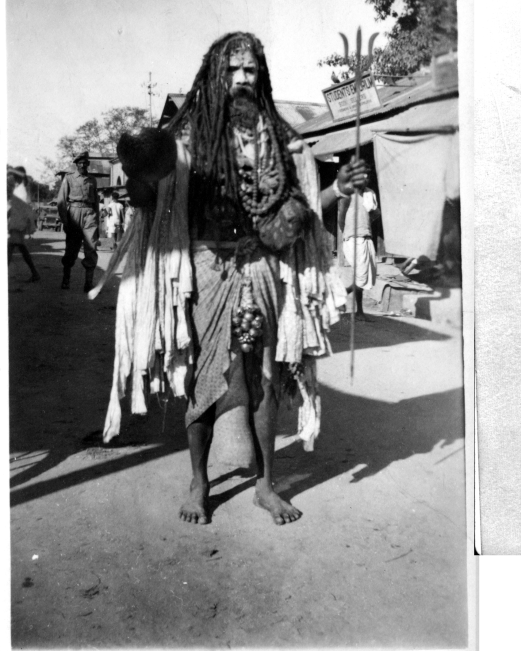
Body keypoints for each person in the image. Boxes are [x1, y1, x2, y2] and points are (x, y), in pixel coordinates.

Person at [97, 32, 367, 527]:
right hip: (205, 267)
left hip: (262, 268)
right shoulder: (189, 142)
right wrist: (140, 174)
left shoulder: (278, 141)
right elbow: (148, 200)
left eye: (251, 71)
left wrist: (336, 191)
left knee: (262, 375)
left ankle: (266, 486)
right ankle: (199, 483)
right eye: (234, 70)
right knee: (204, 376)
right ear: (216, 76)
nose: (243, 79)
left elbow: (298, 214)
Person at [56, 150, 99, 291]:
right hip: (74, 213)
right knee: (71, 249)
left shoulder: (92, 180)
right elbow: (61, 201)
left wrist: (96, 219)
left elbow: (96, 202)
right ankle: (66, 279)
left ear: (88, 164)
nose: (83, 165)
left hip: (89, 214)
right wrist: (65, 221)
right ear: (76, 164)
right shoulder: (68, 178)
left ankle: (88, 283)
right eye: (80, 163)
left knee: (91, 247)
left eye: (85, 163)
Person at [338, 180, 379, 320]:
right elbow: (341, 217)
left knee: (364, 275)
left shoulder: (369, 193)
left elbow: (376, 212)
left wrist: (366, 222)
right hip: (353, 238)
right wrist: (347, 232)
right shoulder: (348, 194)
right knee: (361, 277)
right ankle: (338, 296)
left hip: (366, 236)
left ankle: (359, 312)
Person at [7, 166, 40, 282]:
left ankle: (35, 273)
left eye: (15, 176)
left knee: (10, 248)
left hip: (18, 223)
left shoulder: (21, 189)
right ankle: (35, 273)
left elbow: (23, 208)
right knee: (20, 248)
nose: (13, 178)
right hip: (17, 222)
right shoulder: (20, 187)